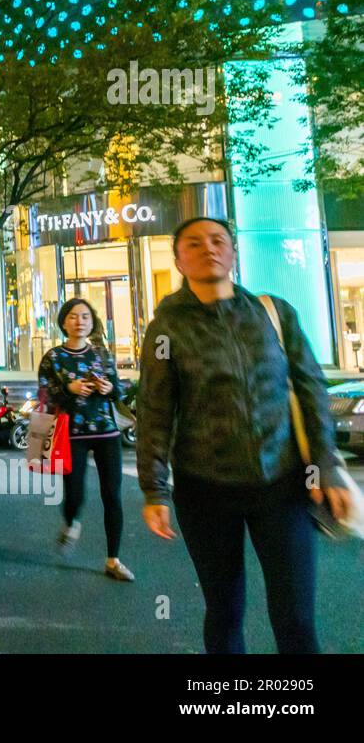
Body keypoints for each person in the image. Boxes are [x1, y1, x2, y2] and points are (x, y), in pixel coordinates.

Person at [138, 217, 351, 653]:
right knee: (224, 610)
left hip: (284, 484)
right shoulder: (165, 330)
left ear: (233, 253)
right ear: (179, 260)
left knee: (295, 617)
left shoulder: (275, 314)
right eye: (193, 244)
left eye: (218, 241)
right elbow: (155, 408)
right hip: (205, 491)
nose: (208, 249)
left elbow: (311, 388)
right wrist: (154, 490)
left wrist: (325, 467)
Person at [37, 299, 133, 582]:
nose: (80, 321)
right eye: (74, 316)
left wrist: (108, 387)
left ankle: (113, 559)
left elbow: (119, 389)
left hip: (106, 430)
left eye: (86, 316)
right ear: (64, 322)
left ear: (92, 322)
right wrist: (69, 388)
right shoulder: (53, 358)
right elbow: (45, 394)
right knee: (75, 493)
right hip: (71, 432)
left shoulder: (102, 355)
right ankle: (71, 522)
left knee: (112, 495)